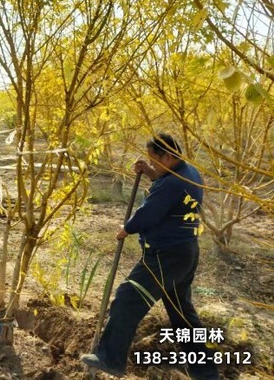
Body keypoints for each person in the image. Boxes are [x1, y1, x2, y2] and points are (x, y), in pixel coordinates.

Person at [81, 133, 219, 380]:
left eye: (153, 160)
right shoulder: (188, 173)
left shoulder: (172, 184)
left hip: (165, 257)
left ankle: (110, 358)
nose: (152, 164)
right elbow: (167, 189)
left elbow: (149, 215)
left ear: (167, 156)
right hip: (185, 253)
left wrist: (126, 229)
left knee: (127, 298)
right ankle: (206, 373)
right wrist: (149, 172)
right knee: (183, 315)